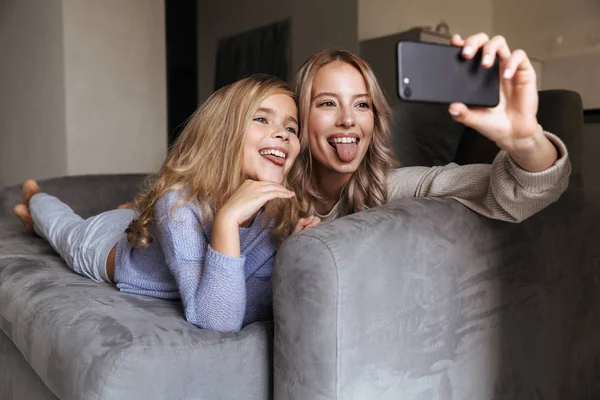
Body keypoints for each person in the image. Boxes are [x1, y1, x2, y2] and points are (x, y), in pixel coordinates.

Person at [12, 75, 319, 333]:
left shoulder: (276, 216)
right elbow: (217, 321)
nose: (282, 133)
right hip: (106, 246)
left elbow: (245, 300)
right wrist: (226, 221)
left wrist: (288, 255)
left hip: (150, 233)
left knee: (146, 214)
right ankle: (34, 202)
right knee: (64, 229)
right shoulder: (179, 202)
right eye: (262, 119)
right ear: (222, 134)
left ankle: (135, 211)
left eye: (291, 128)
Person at [288, 33, 571, 222]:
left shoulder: (389, 189)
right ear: (298, 117)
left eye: (362, 105)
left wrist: (525, 140)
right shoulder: (272, 190)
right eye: (327, 103)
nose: (348, 119)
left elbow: (521, 195)